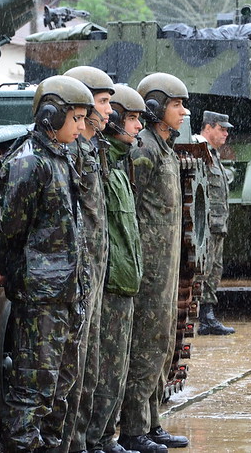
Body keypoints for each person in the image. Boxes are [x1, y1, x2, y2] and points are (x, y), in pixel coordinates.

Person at [0, 75, 93, 452]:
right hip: (42, 298)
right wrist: (11, 270)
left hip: (66, 292)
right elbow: (9, 231)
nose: (81, 127)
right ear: (51, 115)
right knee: (32, 392)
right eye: (76, 118)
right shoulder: (30, 162)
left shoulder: (60, 157)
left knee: (59, 390)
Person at [119, 73, 190, 453]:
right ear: (156, 106)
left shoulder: (165, 149)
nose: (183, 112)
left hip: (166, 266)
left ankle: (152, 422)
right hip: (148, 267)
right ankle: (133, 430)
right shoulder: (144, 149)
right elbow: (130, 207)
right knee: (146, 345)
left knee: (161, 344)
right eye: (177, 105)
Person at [56, 66, 116, 453]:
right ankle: (69, 441)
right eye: (103, 102)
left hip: (94, 267)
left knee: (89, 361)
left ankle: (83, 439)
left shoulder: (93, 148)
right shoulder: (70, 152)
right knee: (73, 363)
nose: (109, 110)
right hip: (75, 270)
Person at [85, 84, 146, 453]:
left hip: (121, 281)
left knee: (115, 368)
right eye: (133, 118)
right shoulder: (97, 160)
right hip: (105, 284)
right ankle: (94, 438)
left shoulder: (117, 164)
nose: (138, 126)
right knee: (101, 370)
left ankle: (104, 436)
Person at [195, 110, 236, 335]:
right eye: (221, 129)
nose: (226, 133)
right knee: (203, 270)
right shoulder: (198, 151)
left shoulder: (213, 154)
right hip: (206, 226)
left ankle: (207, 316)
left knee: (213, 269)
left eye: (227, 130)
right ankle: (201, 315)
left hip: (217, 225)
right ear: (208, 127)